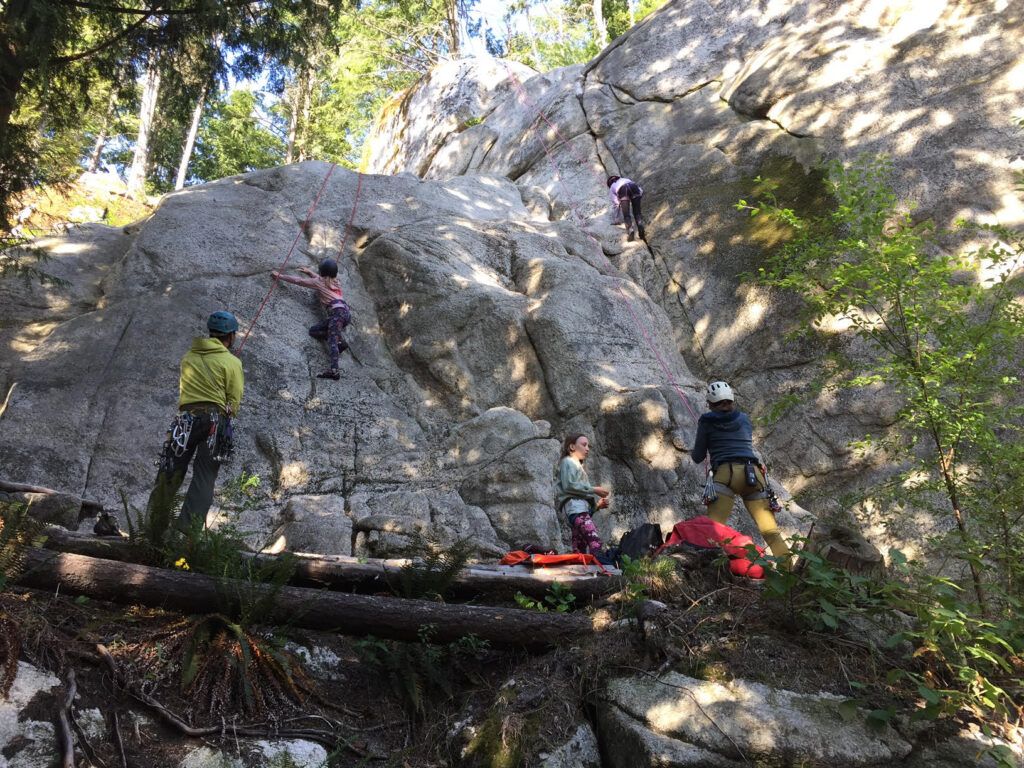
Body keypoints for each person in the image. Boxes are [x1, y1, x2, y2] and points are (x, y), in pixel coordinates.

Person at [148, 311, 244, 535]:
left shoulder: (189, 357)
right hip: (215, 421)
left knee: (170, 471)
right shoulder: (231, 362)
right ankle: (186, 532)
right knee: (204, 476)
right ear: (230, 336)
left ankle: (153, 527)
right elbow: (234, 399)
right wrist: (229, 413)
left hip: (185, 421)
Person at [691, 381, 793, 567]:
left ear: (710, 404)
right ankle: (790, 578)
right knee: (771, 533)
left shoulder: (706, 421)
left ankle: (712, 575)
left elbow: (698, 456)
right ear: (731, 400)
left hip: (725, 476)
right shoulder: (744, 418)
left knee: (712, 533)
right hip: (753, 475)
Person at [272, 259, 351, 380]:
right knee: (313, 331)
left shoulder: (319, 282)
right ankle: (338, 338)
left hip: (337, 314)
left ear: (322, 272)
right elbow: (322, 279)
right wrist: (310, 272)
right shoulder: (336, 282)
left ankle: (334, 371)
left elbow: (299, 281)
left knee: (332, 342)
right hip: (345, 313)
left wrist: (280, 276)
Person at [555, 433, 611, 557]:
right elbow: (569, 486)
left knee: (579, 548)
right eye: (584, 444)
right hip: (575, 509)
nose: (587, 448)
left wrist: (597, 506)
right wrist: (594, 489)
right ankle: (605, 569)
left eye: (588, 446)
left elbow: (583, 510)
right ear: (572, 447)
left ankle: (580, 571)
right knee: (595, 542)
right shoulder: (568, 462)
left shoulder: (577, 466)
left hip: (577, 510)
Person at [607, 175, 646, 242]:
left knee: (626, 214)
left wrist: (617, 219)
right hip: (634, 187)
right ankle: (640, 224)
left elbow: (616, 204)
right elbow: (640, 190)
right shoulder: (625, 179)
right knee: (637, 212)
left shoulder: (612, 187)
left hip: (623, 189)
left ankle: (630, 230)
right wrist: (638, 197)